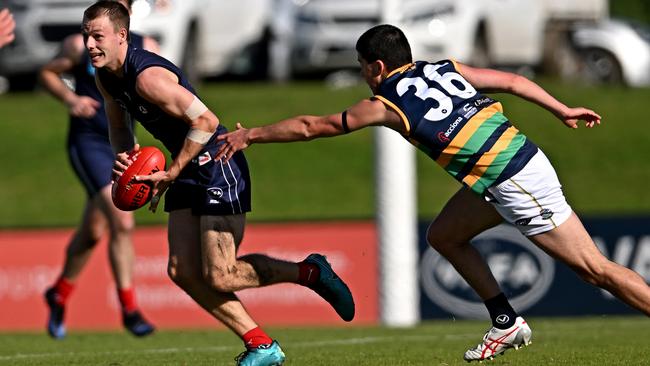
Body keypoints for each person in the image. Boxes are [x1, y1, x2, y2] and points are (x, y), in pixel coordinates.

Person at [215, 24, 650, 362]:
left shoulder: (386, 102)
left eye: (363, 67)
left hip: (513, 178)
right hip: (509, 166)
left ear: (377, 68)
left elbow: (314, 127)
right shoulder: (444, 68)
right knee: (444, 236)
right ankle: (505, 322)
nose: (364, 76)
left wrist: (251, 134)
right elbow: (513, 82)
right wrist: (560, 108)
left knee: (595, 270)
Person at [82, 2, 354, 365]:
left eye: (97, 36)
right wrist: (127, 159)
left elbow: (207, 122)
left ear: (121, 36)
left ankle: (311, 271)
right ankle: (263, 346)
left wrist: (175, 169)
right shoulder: (106, 77)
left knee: (221, 274)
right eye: (86, 35)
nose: (89, 44)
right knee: (182, 271)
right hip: (184, 164)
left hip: (216, 164)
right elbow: (118, 126)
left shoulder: (148, 77)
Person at [39, 0, 159, 339]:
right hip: (89, 143)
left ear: (127, 16)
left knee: (93, 232)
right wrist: (70, 99)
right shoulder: (80, 45)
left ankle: (58, 293)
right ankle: (131, 309)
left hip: (122, 146)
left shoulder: (146, 47)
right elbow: (48, 72)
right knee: (122, 218)